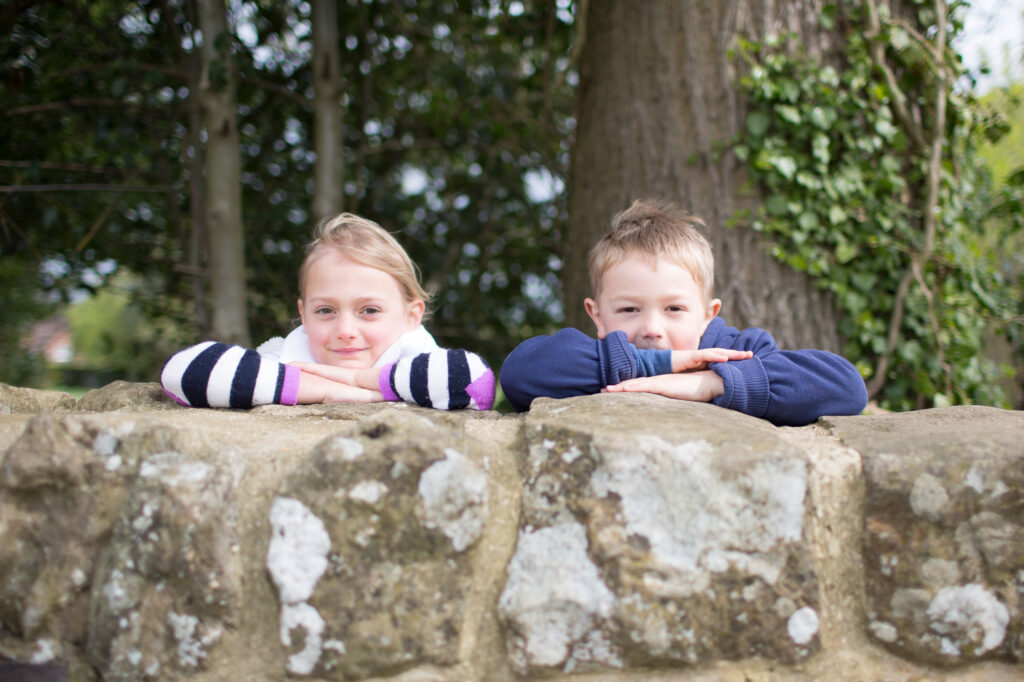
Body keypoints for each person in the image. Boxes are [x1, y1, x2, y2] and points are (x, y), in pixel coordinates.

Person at [499, 199, 867, 426]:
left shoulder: (737, 350)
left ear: (708, 314)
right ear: (597, 316)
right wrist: (654, 367)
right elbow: (520, 374)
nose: (652, 328)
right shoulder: (590, 361)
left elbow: (847, 388)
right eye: (629, 309)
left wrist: (709, 383)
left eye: (674, 308)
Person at [161, 213, 494, 410]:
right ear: (303, 315)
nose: (345, 329)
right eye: (325, 311)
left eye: (369, 310)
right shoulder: (288, 353)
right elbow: (181, 373)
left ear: (411, 316)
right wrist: (326, 390)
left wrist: (357, 379)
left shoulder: (414, 353)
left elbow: (475, 385)